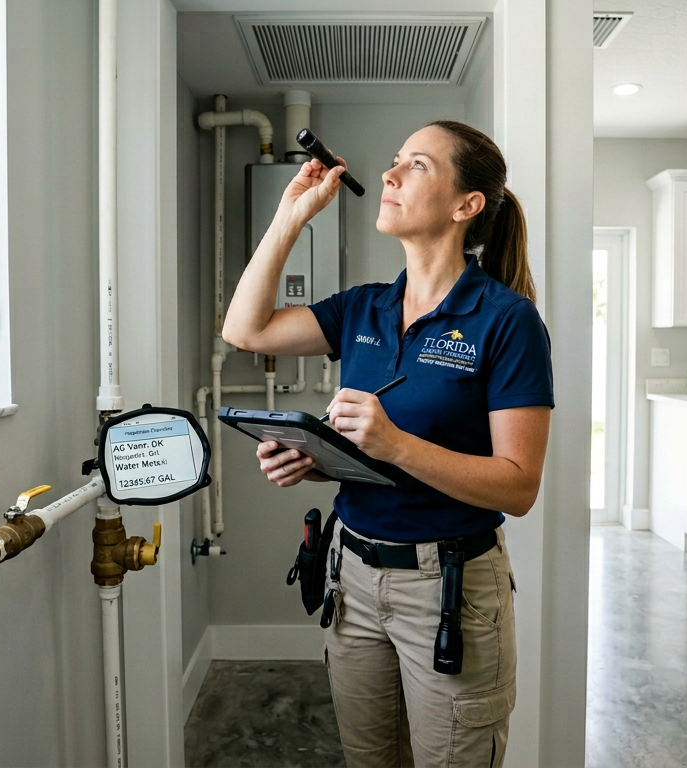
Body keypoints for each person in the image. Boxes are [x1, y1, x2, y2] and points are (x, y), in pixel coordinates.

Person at [221, 120, 553, 768]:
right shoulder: (364, 309)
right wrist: (292, 214)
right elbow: (245, 329)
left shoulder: (507, 321)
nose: (392, 174)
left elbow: (518, 486)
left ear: (467, 205)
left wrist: (395, 443)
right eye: (395, 160)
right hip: (355, 575)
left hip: (450, 583)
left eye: (418, 165)